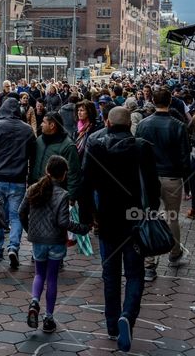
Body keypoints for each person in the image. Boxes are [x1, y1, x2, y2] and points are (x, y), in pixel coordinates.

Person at [78, 107, 160, 353]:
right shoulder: (142, 147)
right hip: (135, 220)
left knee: (110, 275)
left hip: (107, 220)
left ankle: (112, 324)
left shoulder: (97, 146)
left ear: (108, 123)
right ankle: (128, 315)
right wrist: (151, 212)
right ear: (129, 125)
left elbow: (85, 186)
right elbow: (153, 187)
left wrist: (89, 216)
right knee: (135, 274)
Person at [20, 155, 90, 333]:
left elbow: (21, 212)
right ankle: (49, 317)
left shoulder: (34, 189)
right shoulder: (63, 194)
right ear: (64, 175)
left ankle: (34, 301)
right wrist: (82, 229)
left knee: (39, 274)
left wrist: (30, 230)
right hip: (56, 241)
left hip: (38, 241)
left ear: (46, 170)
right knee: (52, 278)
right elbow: (63, 222)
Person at [135, 87, 191, 281]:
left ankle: (149, 263)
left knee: (148, 216)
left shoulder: (143, 125)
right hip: (172, 177)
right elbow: (185, 156)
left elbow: (138, 151)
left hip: (149, 177)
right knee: (172, 217)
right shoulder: (178, 126)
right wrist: (188, 185)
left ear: (153, 100)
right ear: (169, 102)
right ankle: (174, 252)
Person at [0, 95, 37, 269]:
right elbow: (33, 157)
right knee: (16, 216)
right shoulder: (27, 130)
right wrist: (30, 179)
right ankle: (13, 247)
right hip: (18, 178)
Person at [29, 112, 81, 202]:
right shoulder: (39, 141)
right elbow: (33, 162)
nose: (41, 125)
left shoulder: (68, 146)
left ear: (52, 125)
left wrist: (71, 197)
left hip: (55, 194)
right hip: (37, 189)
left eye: (44, 122)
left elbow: (73, 173)